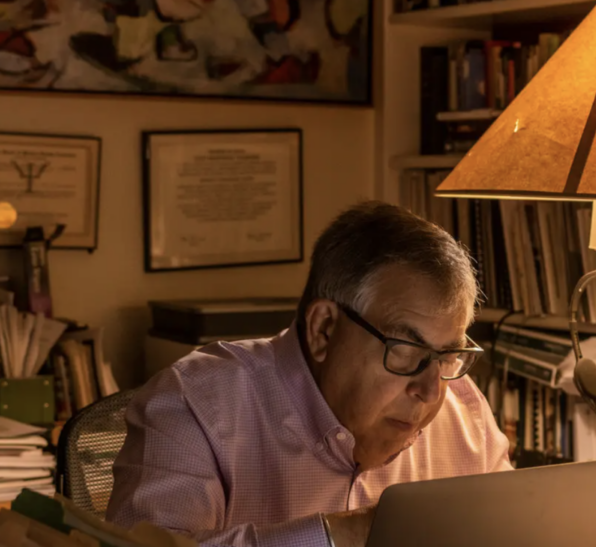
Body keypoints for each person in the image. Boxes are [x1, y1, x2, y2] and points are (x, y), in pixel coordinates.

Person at [106, 201, 511, 547]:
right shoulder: (194, 401)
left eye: (448, 356)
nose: (430, 390)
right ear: (324, 329)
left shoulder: (463, 407)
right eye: (406, 352)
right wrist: (345, 536)